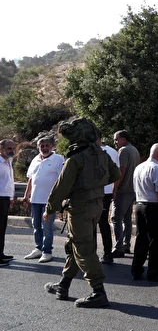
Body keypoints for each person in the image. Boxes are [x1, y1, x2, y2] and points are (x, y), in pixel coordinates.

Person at [43, 118, 121, 308]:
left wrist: (50, 209)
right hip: (97, 205)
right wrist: (94, 185)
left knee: (83, 248)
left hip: (80, 208)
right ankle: (63, 285)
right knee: (75, 245)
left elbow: (61, 187)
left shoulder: (76, 157)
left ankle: (98, 291)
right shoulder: (101, 153)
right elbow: (115, 174)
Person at [131, 143, 158, 282]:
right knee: (156, 240)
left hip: (139, 205)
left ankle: (136, 269)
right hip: (153, 207)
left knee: (141, 239)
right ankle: (154, 272)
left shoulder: (139, 167)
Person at [22, 137, 65, 263]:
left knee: (47, 227)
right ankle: (38, 248)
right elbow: (31, 179)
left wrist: (61, 198)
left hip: (49, 201)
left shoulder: (58, 159)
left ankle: (47, 251)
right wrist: (26, 196)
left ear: (52, 146)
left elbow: (62, 180)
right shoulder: (35, 159)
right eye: (42, 146)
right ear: (38, 147)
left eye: (47, 145)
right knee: (36, 226)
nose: (45, 148)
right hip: (35, 199)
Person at [111, 130, 140, 257]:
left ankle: (119, 247)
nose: (115, 142)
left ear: (123, 139)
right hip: (132, 189)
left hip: (123, 190)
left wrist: (115, 189)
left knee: (116, 218)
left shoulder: (123, 150)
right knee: (127, 218)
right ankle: (126, 244)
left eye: (116, 139)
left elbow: (121, 171)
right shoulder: (134, 150)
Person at [98, 138, 120, 264]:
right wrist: (114, 190)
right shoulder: (112, 151)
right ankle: (107, 254)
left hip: (96, 192)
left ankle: (98, 253)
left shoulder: (89, 151)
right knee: (103, 223)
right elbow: (117, 173)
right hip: (106, 192)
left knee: (95, 223)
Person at [0, 139, 16, 267]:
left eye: (13, 148)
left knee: (2, 228)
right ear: (1, 149)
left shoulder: (9, 161)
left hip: (5, 198)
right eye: (9, 148)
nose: (12, 151)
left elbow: (9, 181)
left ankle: (1, 253)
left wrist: (11, 196)